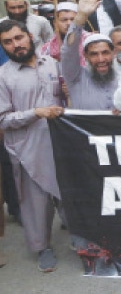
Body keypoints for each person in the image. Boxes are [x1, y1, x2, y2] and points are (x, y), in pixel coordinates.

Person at [0, 19, 65, 272]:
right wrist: (35, 112)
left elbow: (63, 96)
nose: (16, 45)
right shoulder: (3, 77)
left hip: (60, 143)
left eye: (19, 38)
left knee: (68, 195)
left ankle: (82, 241)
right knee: (34, 203)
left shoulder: (51, 63)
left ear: (29, 36)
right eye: (8, 42)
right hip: (27, 149)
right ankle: (42, 248)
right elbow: (3, 119)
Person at [60, 0, 118, 110]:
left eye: (105, 52)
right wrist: (81, 16)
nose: (101, 59)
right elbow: (68, 51)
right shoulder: (75, 76)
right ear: (85, 56)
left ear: (113, 53)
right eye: (94, 54)